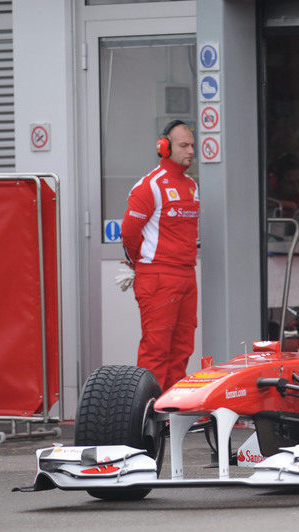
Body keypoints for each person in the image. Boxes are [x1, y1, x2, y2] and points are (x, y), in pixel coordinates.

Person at [120, 120, 200, 390]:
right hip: (158, 275)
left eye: (192, 145)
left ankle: (172, 415)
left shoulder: (191, 186)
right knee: (156, 350)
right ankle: (148, 416)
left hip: (187, 274)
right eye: (184, 145)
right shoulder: (149, 186)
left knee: (182, 349)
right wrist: (138, 263)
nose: (191, 150)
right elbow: (129, 232)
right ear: (164, 147)